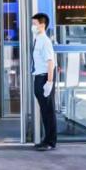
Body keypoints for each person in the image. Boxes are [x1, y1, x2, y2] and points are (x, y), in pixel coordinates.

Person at [31, 13, 57, 151]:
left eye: (34, 24)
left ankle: (50, 141)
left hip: (45, 77)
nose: (32, 26)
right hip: (39, 76)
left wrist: (49, 82)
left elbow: (50, 62)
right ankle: (46, 139)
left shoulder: (45, 41)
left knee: (48, 111)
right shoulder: (38, 39)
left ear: (42, 25)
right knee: (44, 110)